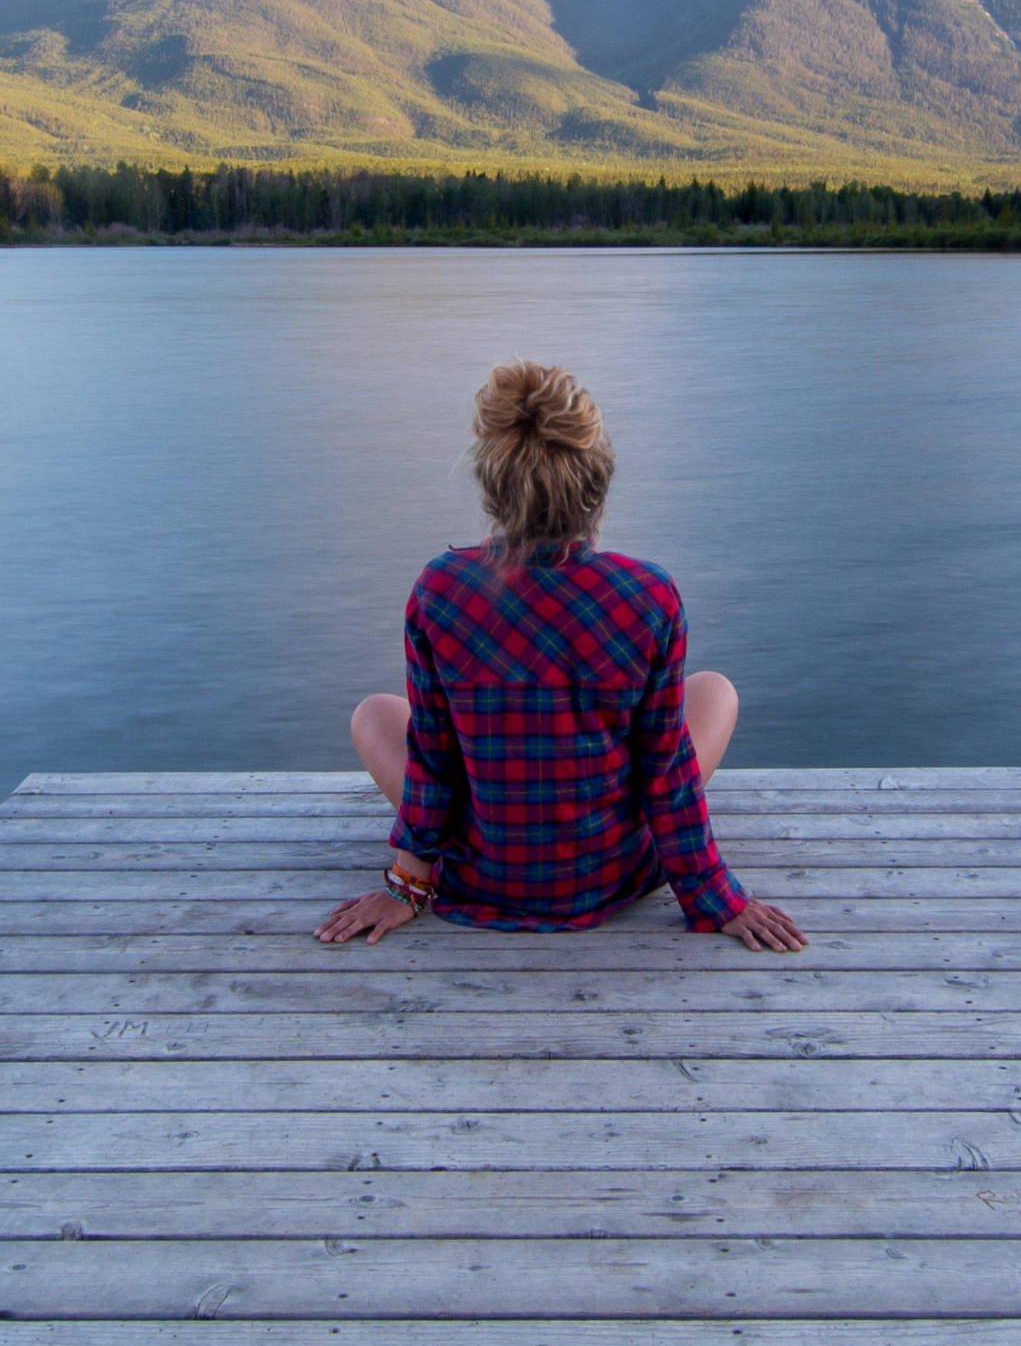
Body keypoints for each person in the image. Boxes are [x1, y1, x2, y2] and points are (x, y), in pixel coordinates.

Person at [319, 359, 807, 953]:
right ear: (597, 483)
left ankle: (450, 863)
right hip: (608, 876)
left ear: (494, 487)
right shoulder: (647, 595)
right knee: (715, 692)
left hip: (482, 873)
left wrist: (406, 887)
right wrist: (714, 897)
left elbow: (433, 757)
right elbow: (665, 769)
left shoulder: (440, 589)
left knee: (376, 713)